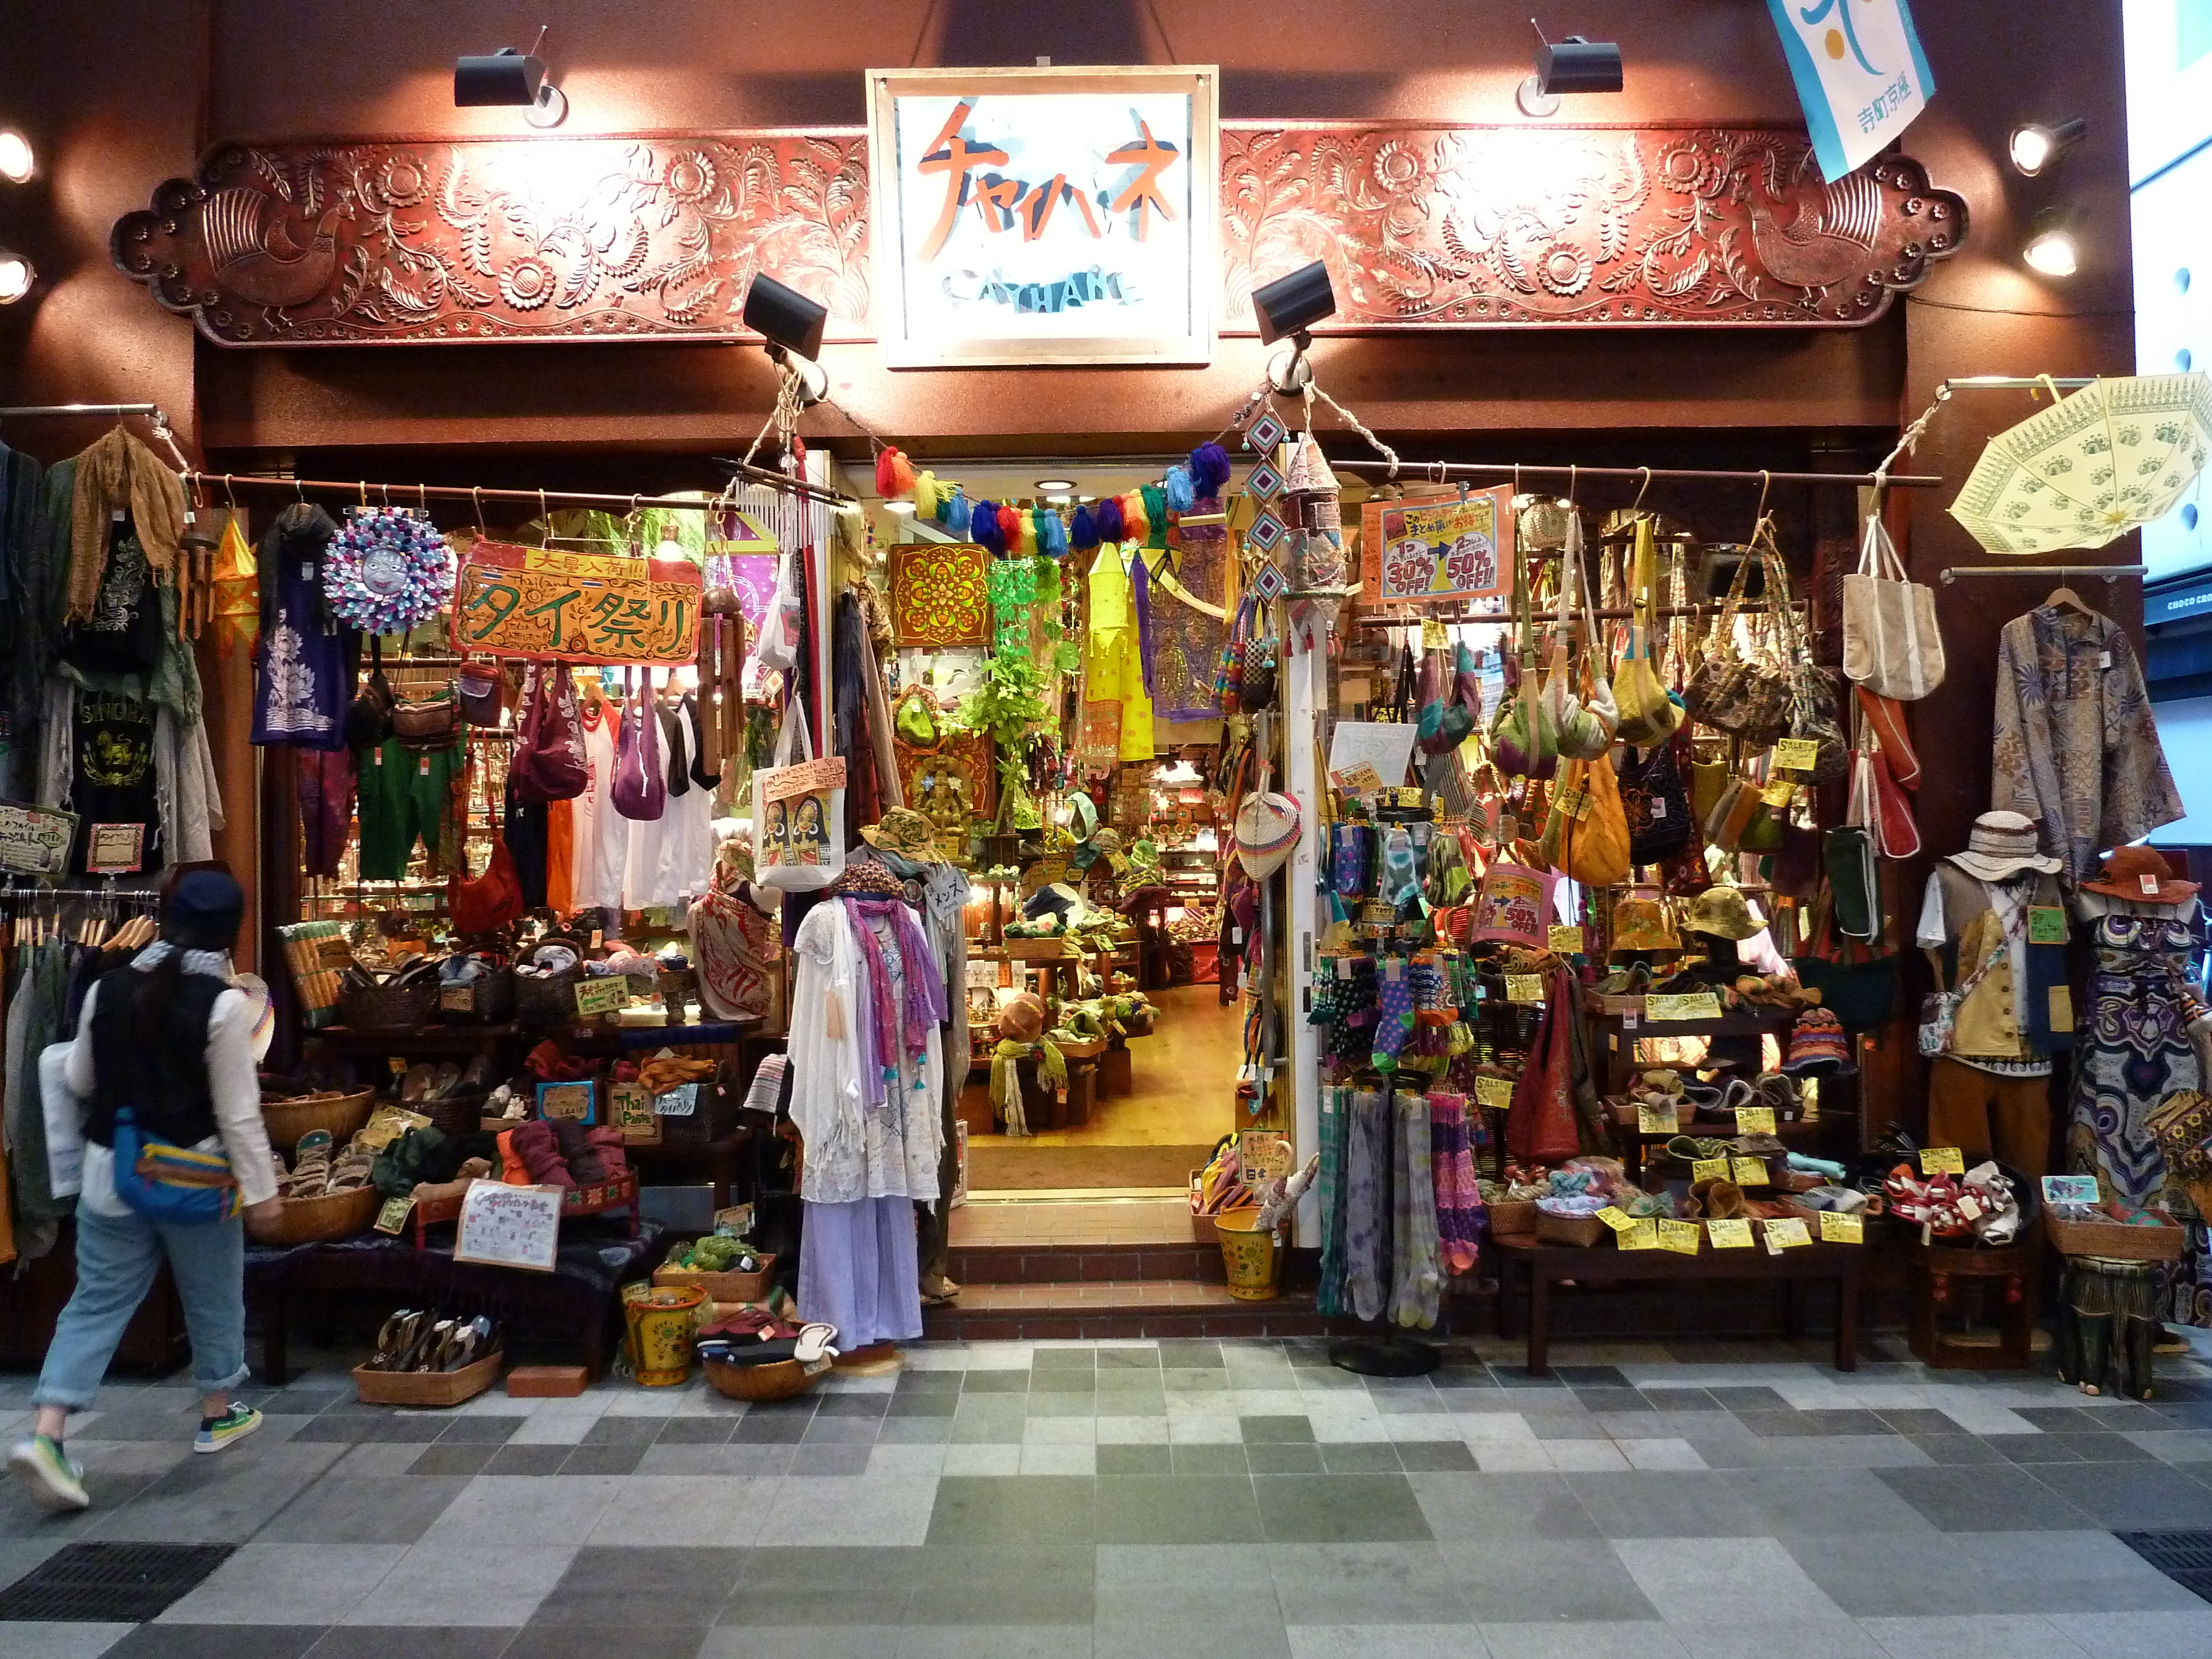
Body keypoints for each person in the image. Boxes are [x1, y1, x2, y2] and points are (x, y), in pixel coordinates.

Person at [7, 870, 283, 1514]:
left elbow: (78, 1077)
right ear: (229, 934)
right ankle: (217, 1412)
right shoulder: (224, 1007)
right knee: (212, 1291)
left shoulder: (108, 987)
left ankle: (49, 1433)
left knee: (96, 1302)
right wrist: (264, 1192)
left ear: (162, 920)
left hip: (113, 1174)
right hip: (194, 1181)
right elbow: (238, 1115)